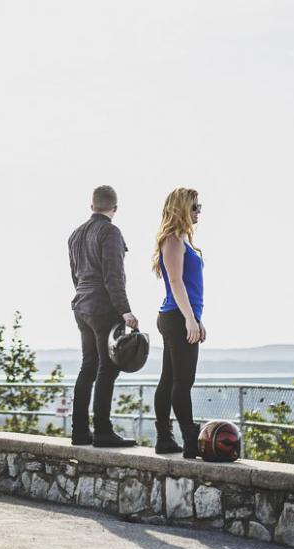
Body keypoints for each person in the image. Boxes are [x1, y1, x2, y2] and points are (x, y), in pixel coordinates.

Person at [68, 185, 138, 447]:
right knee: (107, 368)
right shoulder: (110, 232)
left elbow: (75, 275)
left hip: (81, 306)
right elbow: (113, 276)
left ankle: (79, 431)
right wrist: (125, 310)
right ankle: (103, 431)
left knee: (88, 367)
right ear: (115, 208)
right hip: (103, 307)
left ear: (92, 206)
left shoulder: (75, 235)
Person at [151, 188, 205, 458]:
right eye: (195, 206)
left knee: (171, 378)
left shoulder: (184, 240)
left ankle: (164, 439)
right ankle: (189, 440)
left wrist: (196, 319)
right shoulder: (172, 241)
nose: (199, 211)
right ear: (182, 208)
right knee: (183, 380)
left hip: (180, 316)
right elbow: (175, 282)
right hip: (176, 317)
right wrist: (189, 319)